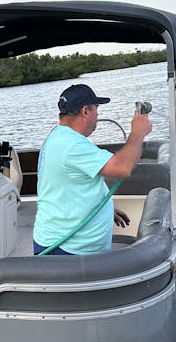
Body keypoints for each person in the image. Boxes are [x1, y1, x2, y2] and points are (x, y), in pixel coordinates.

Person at [33, 83, 152, 255]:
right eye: (96, 109)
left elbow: (69, 186)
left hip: (62, 244)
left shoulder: (60, 136)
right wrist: (138, 133)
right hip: (65, 251)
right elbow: (123, 168)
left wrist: (103, 207)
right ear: (85, 111)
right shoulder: (71, 145)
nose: (98, 115)